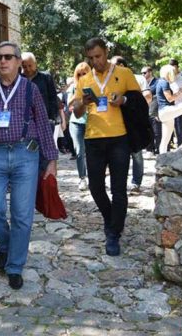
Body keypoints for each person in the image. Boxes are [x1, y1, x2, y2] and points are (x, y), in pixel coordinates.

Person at [0, 41, 58, 290]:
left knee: (22, 215)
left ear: (19, 62)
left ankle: (15, 265)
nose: (3, 61)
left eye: (8, 57)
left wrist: (51, 161)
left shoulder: (31, 90)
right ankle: (7, 246)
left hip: (25, 154)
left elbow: (42, 125)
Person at [72, 38, 140, 256]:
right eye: (91, 58)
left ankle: (114, 233)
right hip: (93, 139)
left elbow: (140, 102)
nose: (95, 61)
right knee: (95, 187)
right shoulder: (85, 80)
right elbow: (76, 111)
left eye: (98, 56)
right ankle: (111, 218)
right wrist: (83, 102)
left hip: (120, 138)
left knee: (119, 189)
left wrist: (124, 100)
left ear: (107, 52)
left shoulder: (124, 73)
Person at [111, 56, 151, 193]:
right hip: (117, 121)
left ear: (122, 65)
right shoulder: (109, 79)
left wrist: (130, 101)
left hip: (134, 121)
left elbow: (147, 97)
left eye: (114, 64)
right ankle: (119, 184)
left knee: (137, 153)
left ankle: (136, 182)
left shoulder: (138, 79)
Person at [67, 62, 91, 190]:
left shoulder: (94, 85)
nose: (82, 76)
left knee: (92, 151)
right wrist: (78, 94)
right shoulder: (74, 87)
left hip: (92, 122)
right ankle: (82, 178)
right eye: (79, 74)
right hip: (76, 122)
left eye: (84, 73)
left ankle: (95, 177)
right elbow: (68, 103)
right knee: (79, 151)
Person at [142, 66, 161, 154]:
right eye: (142, 73)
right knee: (148, 131)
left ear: (150, 72)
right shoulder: (142, 83)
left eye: (144, 73)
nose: (143, 74)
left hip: (155, 109)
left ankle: (158, 149)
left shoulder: (157, 82)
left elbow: (159, 97)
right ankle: (149, 149)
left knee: (156, 130)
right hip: (145, 110)